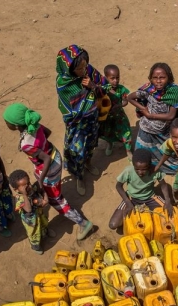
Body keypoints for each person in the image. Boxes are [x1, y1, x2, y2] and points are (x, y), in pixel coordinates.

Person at [3, 103, 94, 240]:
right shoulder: (34, 125)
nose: (6, 124)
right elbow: (48, 133)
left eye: (7, 122)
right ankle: (56, 192)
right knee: (53, 188)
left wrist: (40, 180)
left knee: (56, 200)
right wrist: (43, 146)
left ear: (15, 126)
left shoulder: (26, 144)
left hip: (48, 167)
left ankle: (83, 223)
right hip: (55, 156)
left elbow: (44, 159)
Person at [55, 44, 108, 196]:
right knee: (77, 152)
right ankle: (79, 176)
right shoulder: (63, 84)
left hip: (92, 119)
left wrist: (93, 86)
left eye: (85, 65)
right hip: (76, 124)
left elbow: (106, 87)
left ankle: (89, 163)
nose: (83, 70)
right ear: (68, 69)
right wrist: (81, 112)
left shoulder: (89, 71)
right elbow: (67, 107)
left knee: (91, 145)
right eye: (79, 68)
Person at [128, 63, 178, 174]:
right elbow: (130, 97)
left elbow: (170, 116)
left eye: (162, 78)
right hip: (145, 129)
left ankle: (161, 168)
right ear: (150, 78)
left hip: (162, 131)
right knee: (143, 157)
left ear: (169, 78)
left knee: (169, 158)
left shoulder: (173, 92)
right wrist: (143, 109)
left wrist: (150, 115)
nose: (158, 81)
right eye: (155, 78)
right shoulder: (148, 89)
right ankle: (144, 169)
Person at [108, 149, 174, 230]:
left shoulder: (155, 171)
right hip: (131, 198)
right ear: (133, 165)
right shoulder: (128, 171)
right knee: (113, 224)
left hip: (150, 198)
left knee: (170, 217)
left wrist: (167, 200)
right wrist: (128, 202)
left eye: (144, 169)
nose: (140, 172)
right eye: (137, 169)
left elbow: (163, 185)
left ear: (149, 166)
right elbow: (118, 186)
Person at [8, 170, 53, 255]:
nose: (28, 186)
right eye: (24, 186)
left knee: (44, 224)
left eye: (28, 183)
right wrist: (25, 194)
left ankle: (45, 233)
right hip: (31, 222)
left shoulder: (32, 188)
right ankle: (36, 246)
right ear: (16, 189)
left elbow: (42, 190)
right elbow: (28, 209)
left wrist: (45, 199)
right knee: (34, 234)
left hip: (39, 214)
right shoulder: (19, 198)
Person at [99, 64, 131, 157]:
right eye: (112, 78)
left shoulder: (121, 89)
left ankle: (128, 151)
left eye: (117, 78)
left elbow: (126, 101)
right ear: (106, 78)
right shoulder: (103, 89)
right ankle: (110, 144)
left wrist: (119, 105)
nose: (115, 81)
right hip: (107, 117)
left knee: (126, 132)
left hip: (119, 116)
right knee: (108, 133)